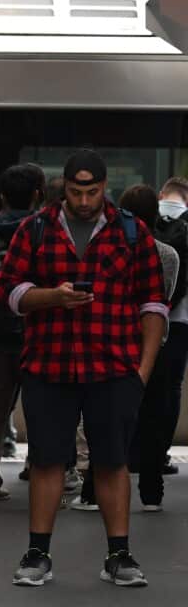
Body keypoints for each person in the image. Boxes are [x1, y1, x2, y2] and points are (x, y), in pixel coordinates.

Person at [0, 150, 166, 589]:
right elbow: (9, 292)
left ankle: (119, 554)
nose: (85, 201)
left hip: (113, 367)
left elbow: (153, 304)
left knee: (112, 462)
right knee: (47, 460)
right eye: (76, 192)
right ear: (64, 188)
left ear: (104, 186)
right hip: (49, 364)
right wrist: (53, 297)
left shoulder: (132, 232)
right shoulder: (35, 229)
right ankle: (37, 552)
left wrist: (142, 371)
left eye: (92, 192)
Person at [0, 164, 46, 509]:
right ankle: (40, 474)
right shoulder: (44, 232)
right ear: (37, 195)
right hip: (37, 334)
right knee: (43, 411)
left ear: (1, 196)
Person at [119, 184, 180, 512]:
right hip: (159, 341)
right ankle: (152, 492)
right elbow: (167, 295)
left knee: (111, 415)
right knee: (155, 416)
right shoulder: (168, 254)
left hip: (117, 340)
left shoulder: (113, 249)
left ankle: (94, 489)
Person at [154, 176, 188, 478]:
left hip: (146, 315)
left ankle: (133, 450)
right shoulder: (186, 224)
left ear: (162, 194)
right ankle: (159, 454)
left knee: (143, 383)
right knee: (172, 386)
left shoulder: (144, 219)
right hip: (179, 318)